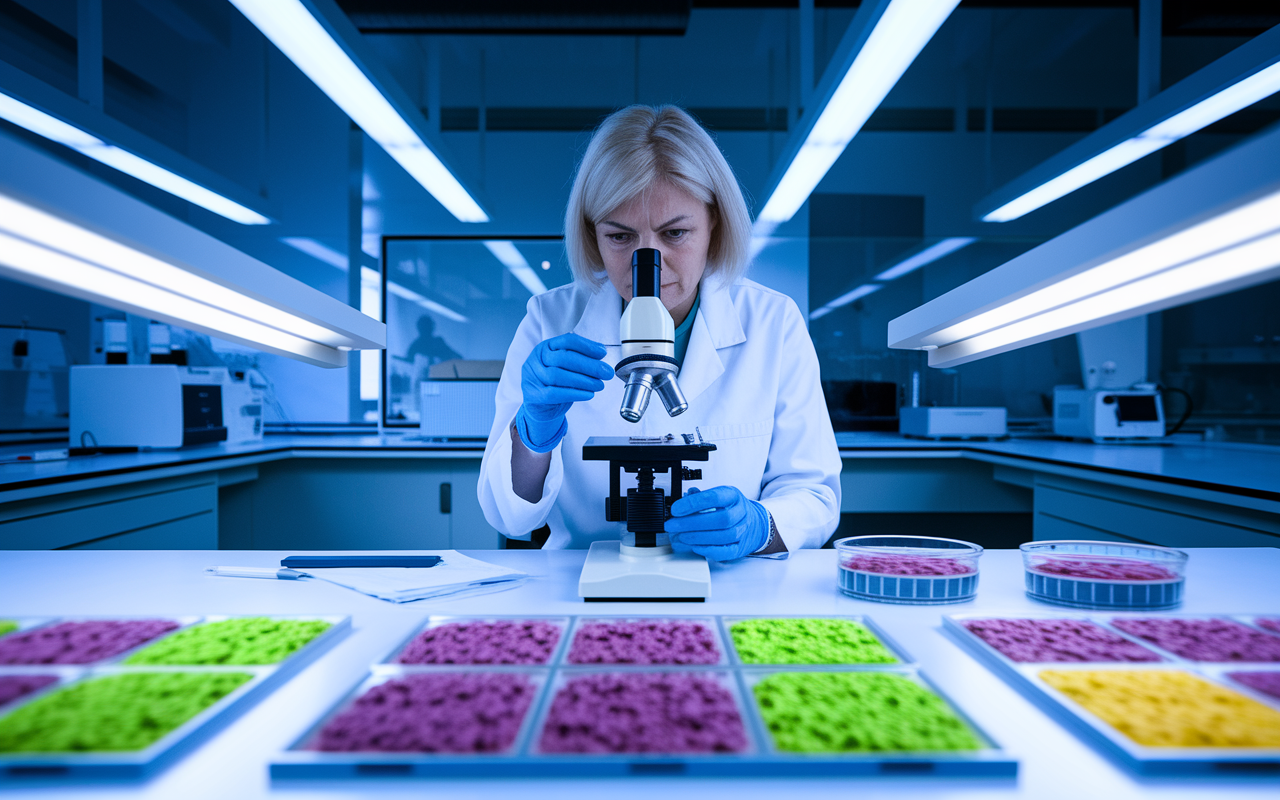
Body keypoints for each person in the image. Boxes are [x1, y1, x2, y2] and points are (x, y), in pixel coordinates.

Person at [478, 105, 841, 560]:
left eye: (674, 233)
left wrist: (760, 525)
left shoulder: (772, 322)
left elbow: (814, 494)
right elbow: (510, 518)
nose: (647, 262)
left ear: (715, 223)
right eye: (620, 237)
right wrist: (533, 433)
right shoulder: (549, 320)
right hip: (578, 584)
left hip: (731, 587)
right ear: (593, 234)